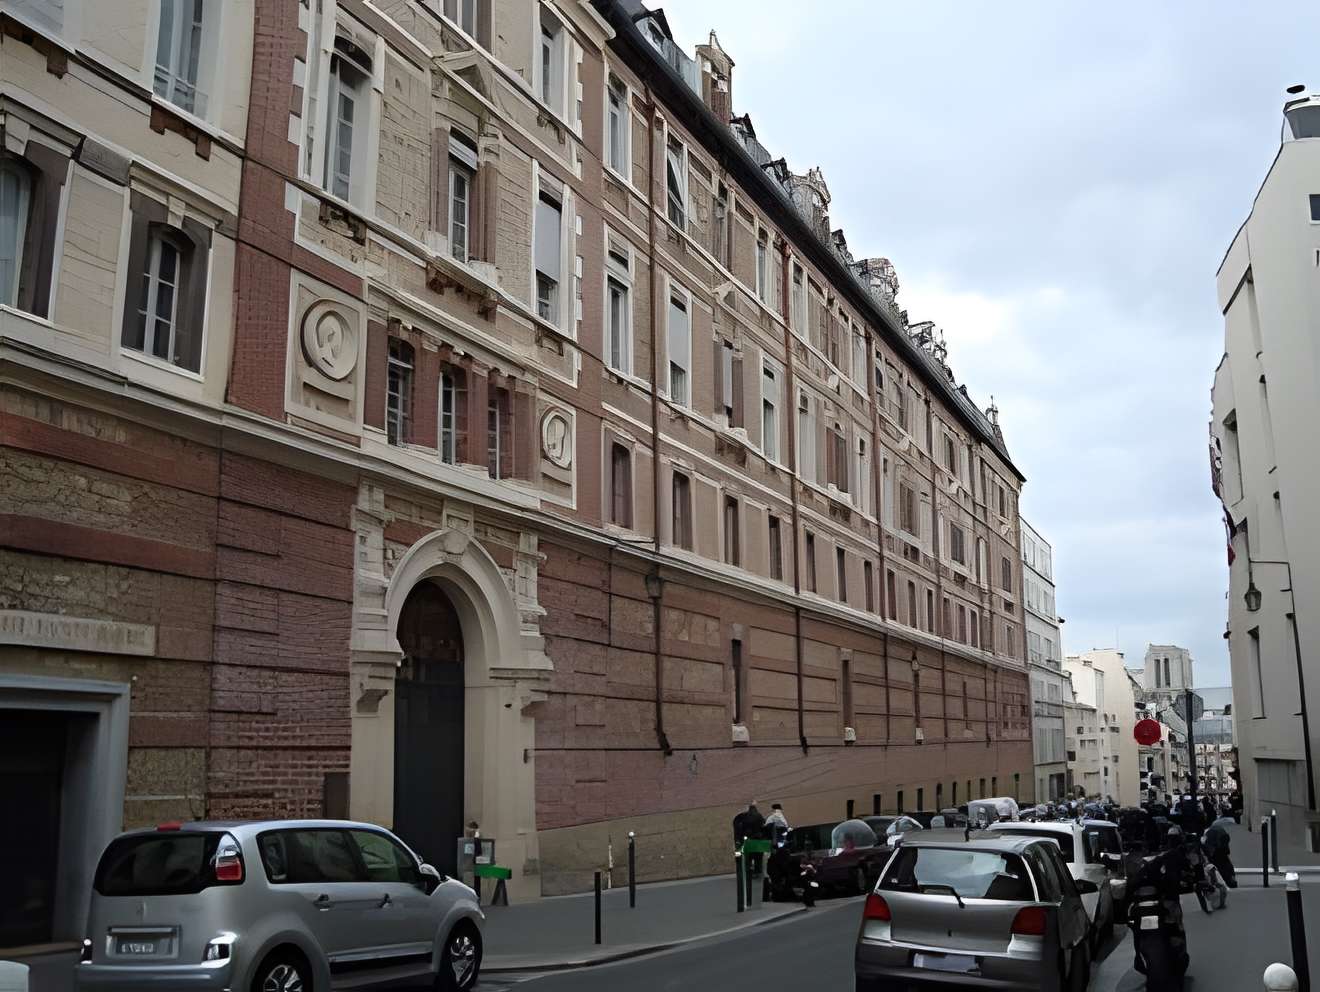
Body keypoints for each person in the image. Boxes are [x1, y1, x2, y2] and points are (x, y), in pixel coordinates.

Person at [733, 801, 766, 878]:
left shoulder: (744, 817)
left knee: (749, 857)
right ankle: (757, 871)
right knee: (758, 857)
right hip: (758, 840)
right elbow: (763, 825)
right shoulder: (759, 816)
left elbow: (741, 829)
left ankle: (748, 871)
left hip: (748, 840)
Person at [1203, 816, 1237, 889]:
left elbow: (1209, 844)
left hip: (1217, 851)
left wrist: (1209, 854)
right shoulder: (1218, 828)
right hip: (1223, 849)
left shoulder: (1209, 832)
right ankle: (1232, 879)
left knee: (1220, 866)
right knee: (1227, 864)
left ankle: (1225, 881)